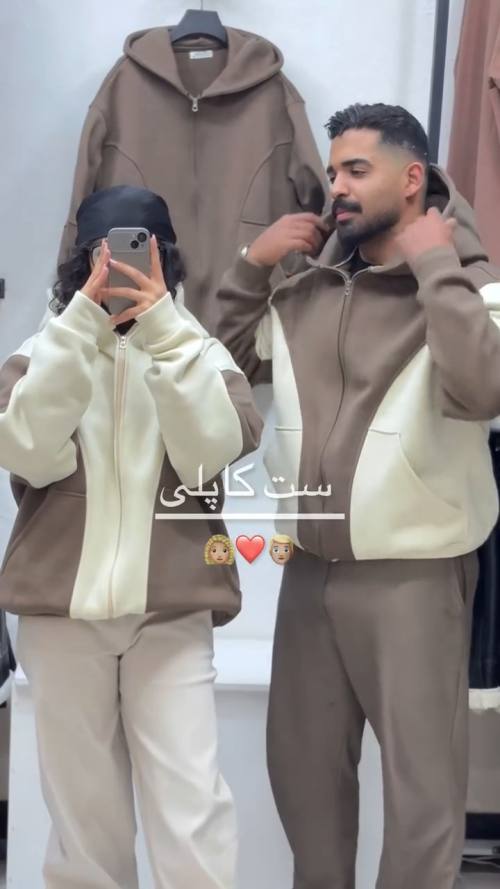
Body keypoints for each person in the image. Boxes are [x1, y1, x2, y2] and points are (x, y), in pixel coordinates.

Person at [215, 103, 500, 889]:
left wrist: (438, 267)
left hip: (415, 578)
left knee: (421, 795)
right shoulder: (305, 290)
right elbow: (216, 368)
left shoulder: (473, 287)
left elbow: (482, 388)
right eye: (334, 171)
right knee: (304, 781)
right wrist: (252, 266)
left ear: (412, 180)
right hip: (310, 572)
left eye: (356, 170)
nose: (335, 186)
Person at [0, 185, 263, 889]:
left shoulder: (199, 352)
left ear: (164, 259)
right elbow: (29, 452)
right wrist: (78, 330)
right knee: (83, 820)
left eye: (134, 252)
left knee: (191, 808)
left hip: (170, 611)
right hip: (61, 610)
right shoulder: (40, 352)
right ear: (79, 261)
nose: (115, 267)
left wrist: (165, 334)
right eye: (101, 254)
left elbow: (206, 455)